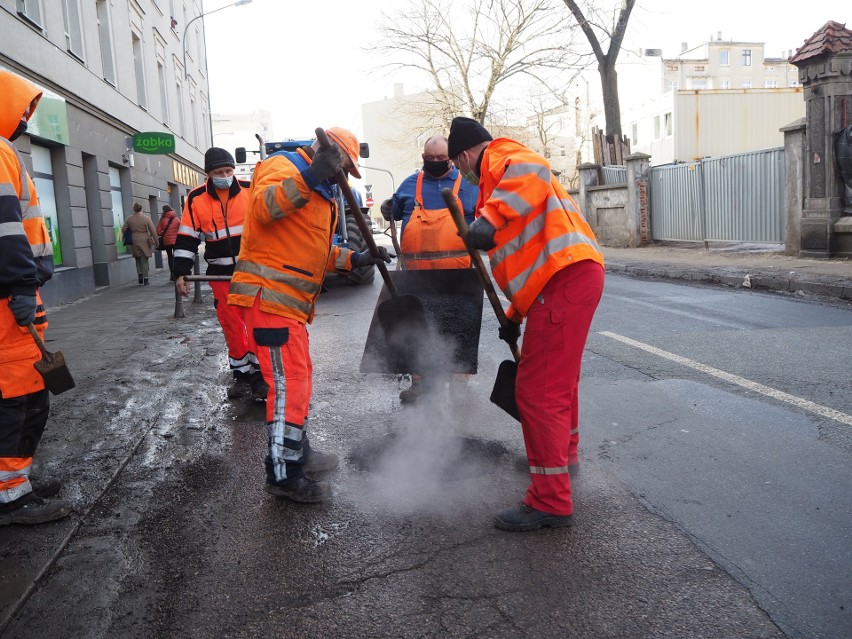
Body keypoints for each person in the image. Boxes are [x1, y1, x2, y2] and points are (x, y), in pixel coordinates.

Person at [447, 116, 605, 532]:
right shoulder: (491, 180)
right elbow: (524, 257)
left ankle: (550, 500)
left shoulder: (499, 156)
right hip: (568, 277)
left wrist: (490, 219)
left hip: (564, 279)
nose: (462, 172)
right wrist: (515, 316)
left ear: (464, 154)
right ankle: (563, 460)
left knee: (538, 393)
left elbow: (533, 168)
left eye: (459, 164)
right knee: (559, 385)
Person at [227, 127, 391, 504]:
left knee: (296, 384)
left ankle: (298, 452)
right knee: (287, 387)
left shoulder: (320, 193)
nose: (342, 177)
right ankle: (284, 475)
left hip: (288, 306)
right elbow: (265, 208)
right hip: (268, 300)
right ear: (326, 154)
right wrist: (312, 175)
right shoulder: (281, 167)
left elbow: (315, 250)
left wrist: (357, 258)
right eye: (342, 167)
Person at [0, 69, 72, 525]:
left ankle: (15, 482)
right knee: (21, 397)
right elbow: (6, 230)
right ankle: (11, 495)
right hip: (10, 306)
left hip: (10, 297)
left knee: (16, 396)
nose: (25, 120)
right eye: (22, 109)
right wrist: (22, 286)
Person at [379, 134, 479, 403]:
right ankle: (420, 385)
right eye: (429, 159)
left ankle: (458, 386)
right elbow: (395, 210)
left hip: (457, 275)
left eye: (441, 159)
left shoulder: (468, 187)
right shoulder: (410, 185)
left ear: (451, 158)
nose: (435, 163)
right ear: (423, 158)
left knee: (458, 330)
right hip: (416, 276)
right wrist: (387, 207)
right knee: (416, 330)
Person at [173, 148, 265, 401]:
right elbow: (186, 239)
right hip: (220, 275)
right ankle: (241, 376)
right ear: (208, 174)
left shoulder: (251, 189)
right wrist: (180, 274)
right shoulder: (196, 199)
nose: (224, 176)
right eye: (218, 172)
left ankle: (260, 375)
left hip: (252, 271)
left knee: (255, 324)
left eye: (228, 171)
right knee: (233, 326)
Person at [121, 202, 158, 285]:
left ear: (134, 209)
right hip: (144, 239)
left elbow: (123, 229)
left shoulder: (129, 218)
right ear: (141, 209)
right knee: (144, 259)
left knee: (137, 259)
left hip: (134, 240)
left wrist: (130, 231)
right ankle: (146, 279)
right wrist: (156, 241)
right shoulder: (146, 218)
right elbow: (153, 230)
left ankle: (140, 277)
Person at [156, 204, 180, 281]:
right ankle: (177, 273)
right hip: (176, 241)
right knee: (176, 257)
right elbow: (181, 229)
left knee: (170, 257)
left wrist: (164, 232)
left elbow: (158, 232)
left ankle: (172, 274)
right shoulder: (176, 219)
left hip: (167, 242)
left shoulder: (162, 220)